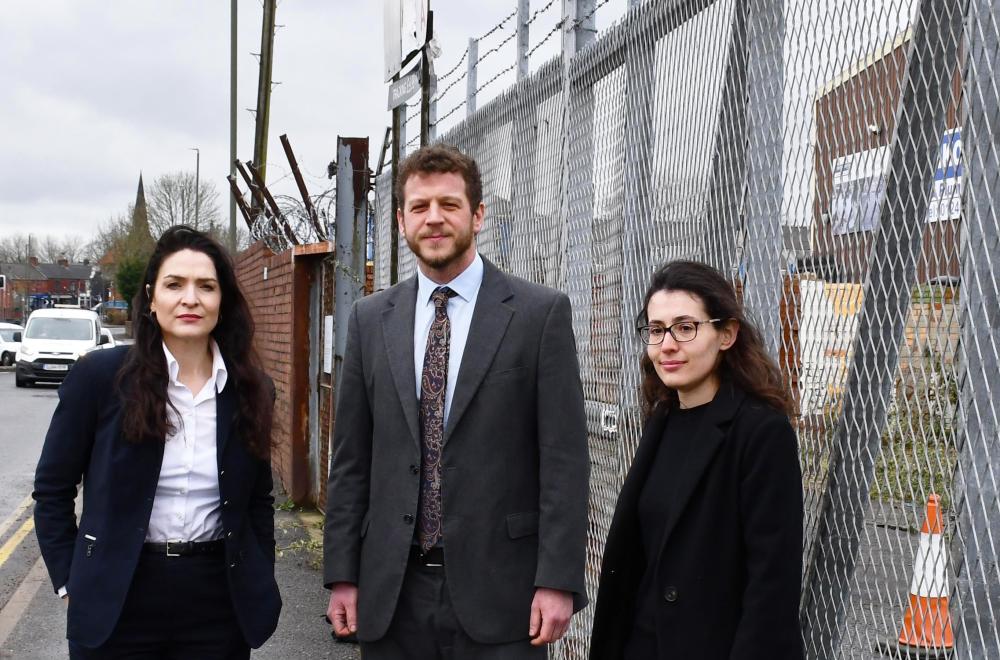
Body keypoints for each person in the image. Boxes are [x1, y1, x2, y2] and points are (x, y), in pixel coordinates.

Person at [323, 144, 590, 659]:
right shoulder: (370, 320)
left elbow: (564, 461)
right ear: (401, 221)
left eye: (449, 204)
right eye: (420, 207)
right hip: (391, 593)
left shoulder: (539, 316)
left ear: (478, 214)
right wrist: (342, 574)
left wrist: (557, 580)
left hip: (503, 595)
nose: (435, 218)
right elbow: (350, 461)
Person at [33, 226, 281, 659]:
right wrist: (70, 579)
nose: (190, 298)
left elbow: (258, 499)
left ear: (222, 301)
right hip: (119, 596)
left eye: (206, 286)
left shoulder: (251, 388)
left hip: (218, 601)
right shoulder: (100, 377)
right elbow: (52, 490)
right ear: (151, 297)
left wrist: (261, 572)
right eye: (174, 284)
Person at [589, 260, 804, 660]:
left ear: (726, 334)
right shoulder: (662, 420)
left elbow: (772, 585)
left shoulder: (760, 433)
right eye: (656, 330)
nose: (667, 344)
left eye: (685, 328)